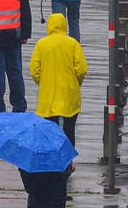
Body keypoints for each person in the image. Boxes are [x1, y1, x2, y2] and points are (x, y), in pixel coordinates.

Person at [29, 11, 87, 147]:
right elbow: (82, 69)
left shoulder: (41, 44)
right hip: (69, 94)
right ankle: (68, 161)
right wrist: (76, 82)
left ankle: (51, 161)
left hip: (48, 96)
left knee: (49, 132)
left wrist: (42, 82)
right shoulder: (73, 43)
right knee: (69, 130)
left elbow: (34, 70)